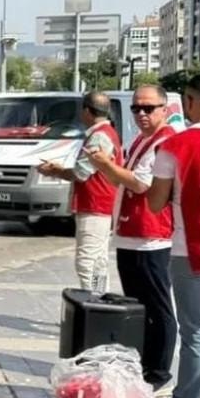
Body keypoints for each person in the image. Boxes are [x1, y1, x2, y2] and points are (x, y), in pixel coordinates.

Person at [84, 85, 177, 390]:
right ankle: (141, 365)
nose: (141, 114)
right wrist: (105, 167)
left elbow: (141, 184)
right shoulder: (141, 139)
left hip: (151, 235)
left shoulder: (164, 141)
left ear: (164, 109)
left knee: (158, 308)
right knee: (138, 308)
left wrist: (105, 165)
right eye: (136, 108)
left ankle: (158, 372)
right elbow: (121, 179)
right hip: (130, 231)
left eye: (149, 108)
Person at [148, 74, 200, 398]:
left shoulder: (175, 146)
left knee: (198, 332)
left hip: (193, 253)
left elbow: (155, 202)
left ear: (189, 101)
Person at [37, 91, 122, 292]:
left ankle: (94, 300)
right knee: (98, 260)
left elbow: (81, 173)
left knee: (87, 261)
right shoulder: (107, 132)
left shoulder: (99, 136)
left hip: (94, 205)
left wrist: (55, 171)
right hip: (102, 204)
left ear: (87, 111)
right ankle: (100, 296)